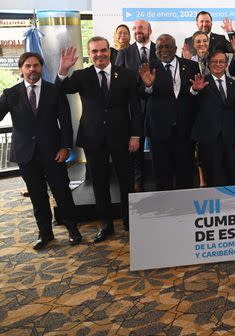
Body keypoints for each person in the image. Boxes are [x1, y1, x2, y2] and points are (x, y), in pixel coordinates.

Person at [57, 38, 142, 242]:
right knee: (99, 183)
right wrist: (62, 71)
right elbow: (61, 90)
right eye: (94, 52)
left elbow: (136, 108)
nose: (99, 55)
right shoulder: (81, 75)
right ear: (89, 54)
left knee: (126, 181)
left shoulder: (127, 74)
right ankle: (106, 225)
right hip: (93, 138)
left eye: (103, 50)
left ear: (109, 52)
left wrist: (136, 135)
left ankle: (130, 222)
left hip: (122, 137)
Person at [0, 52, 81, 249]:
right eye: (27, 66)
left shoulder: (54, 91)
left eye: (36, 65)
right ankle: (45, 233)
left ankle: (73, 230)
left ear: (41, 68)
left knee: (62, 192)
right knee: (37, 195)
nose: (32, 69)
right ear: (21, 69)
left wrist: (65, 147)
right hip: (26, 155)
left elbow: (66, 121)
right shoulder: (10, 94)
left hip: (54, 152)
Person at [138, 35, 198, 190]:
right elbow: (140, 94)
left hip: (185, 130)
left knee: (185, 174)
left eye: (168, 46)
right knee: (162, 175)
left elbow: (194, 96)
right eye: (160, 47)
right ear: (156, 50)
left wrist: (194, 90)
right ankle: (165, 211)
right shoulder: (148, 68)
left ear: (175, 48)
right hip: (159, 131)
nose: (164, 50)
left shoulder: (191, 66)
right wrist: (148, 86)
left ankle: (185, 211)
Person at [189, 50, 235, 186]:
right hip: (209, 140)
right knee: (213, 178)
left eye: (221, 61)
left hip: (231, 139)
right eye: (214, 61)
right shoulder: (201, 83)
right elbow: (190, 106)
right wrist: (195, 90)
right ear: (208, 64)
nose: (218, 64)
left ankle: (234, 206)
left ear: (226, 64)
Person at [115, 19, 155, 192]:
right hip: (133, 110)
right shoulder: (124, 53)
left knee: (159, 148)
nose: (138, 31)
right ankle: (138, 182)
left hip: (156, 107)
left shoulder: (160, 49)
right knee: (135, 151)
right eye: (136, 28)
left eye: (142, 28)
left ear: (149, 30)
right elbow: (116, 82)